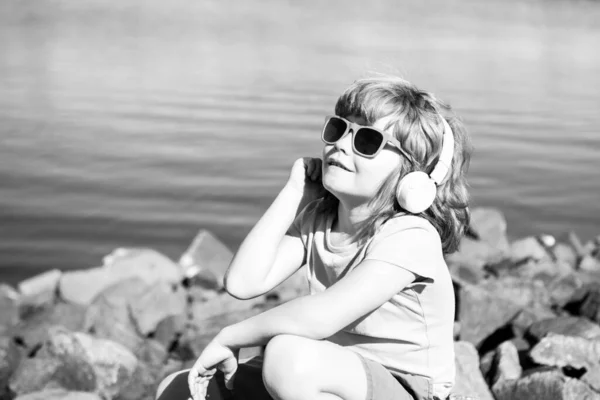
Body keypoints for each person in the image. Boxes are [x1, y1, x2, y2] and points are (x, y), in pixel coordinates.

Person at [158, 75, 471, 400]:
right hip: (329, 374)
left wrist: (230, 336)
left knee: (288, 357)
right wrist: (295, 193)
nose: (340, 144)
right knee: (179, 388)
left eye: (366, 141)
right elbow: (242, 283)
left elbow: (321, 317)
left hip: (405, 388)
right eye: (338, 129)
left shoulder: (410, 236)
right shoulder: (319, 219)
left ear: (414, 178)